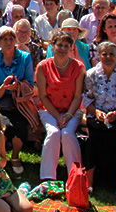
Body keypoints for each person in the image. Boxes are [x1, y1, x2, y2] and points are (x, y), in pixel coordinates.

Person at [82, 41, 116, 192]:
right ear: (99, 56)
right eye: (104, 54)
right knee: (93, 141)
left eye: (112, 54)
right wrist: (96, 112)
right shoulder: (91, 74)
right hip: (96, 117)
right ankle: (89, 183)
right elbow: (86, 98)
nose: (108, 57)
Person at [35, 30, 86, 181]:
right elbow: (43, 96)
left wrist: (68, 116)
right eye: (59, 45)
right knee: (54, 133)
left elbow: (78, 96)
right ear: (53, 46)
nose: (63, 48)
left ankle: (76, 175)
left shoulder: (78, 67)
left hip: (72, 110)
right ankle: (48, 177)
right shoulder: (43, 66)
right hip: (49, 111)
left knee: (68, 134)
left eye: (66, 45)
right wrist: (58, 117)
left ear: (72, 48)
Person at [0, 26, 35, 175]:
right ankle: (1, 157)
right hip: (1, 103)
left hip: (20, 103)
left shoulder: (25, 58)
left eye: (11, 39)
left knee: (20, 126)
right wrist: (4, 87)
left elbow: (30, 84)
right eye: (5, 39)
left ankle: (15, 156)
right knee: (6, 126)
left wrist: (16, 87)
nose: (8, 42)